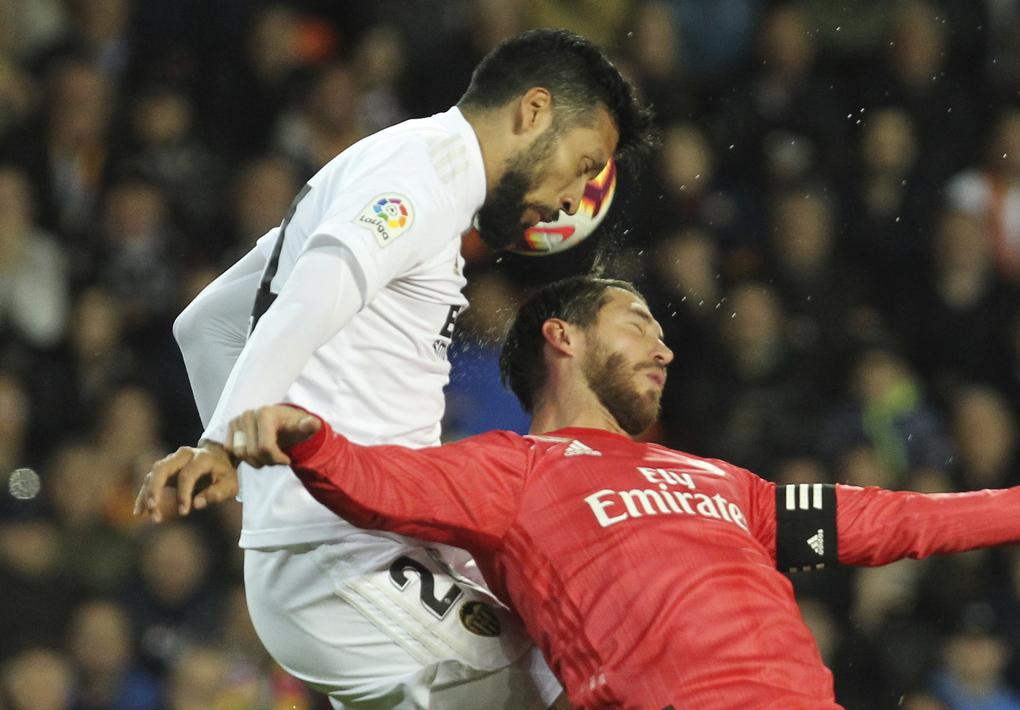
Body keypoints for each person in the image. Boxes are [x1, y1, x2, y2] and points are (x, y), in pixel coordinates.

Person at [229, 275, 1020, 710]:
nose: (663, 342)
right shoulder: (512, 469)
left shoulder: (722, 483)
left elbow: (909, 519)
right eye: (637, 319)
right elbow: (378, 480)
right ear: (561, 338)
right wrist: (302, 434)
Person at [133, 29, 654, 709]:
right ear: (531, 112)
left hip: (350, 550)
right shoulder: (421, 177)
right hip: (346, 554)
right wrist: (229, 447)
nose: (572, 201)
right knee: (558, 683)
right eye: (584, 164)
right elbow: (312, 298)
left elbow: (207, 327)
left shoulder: (387, 166)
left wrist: (260, 497)